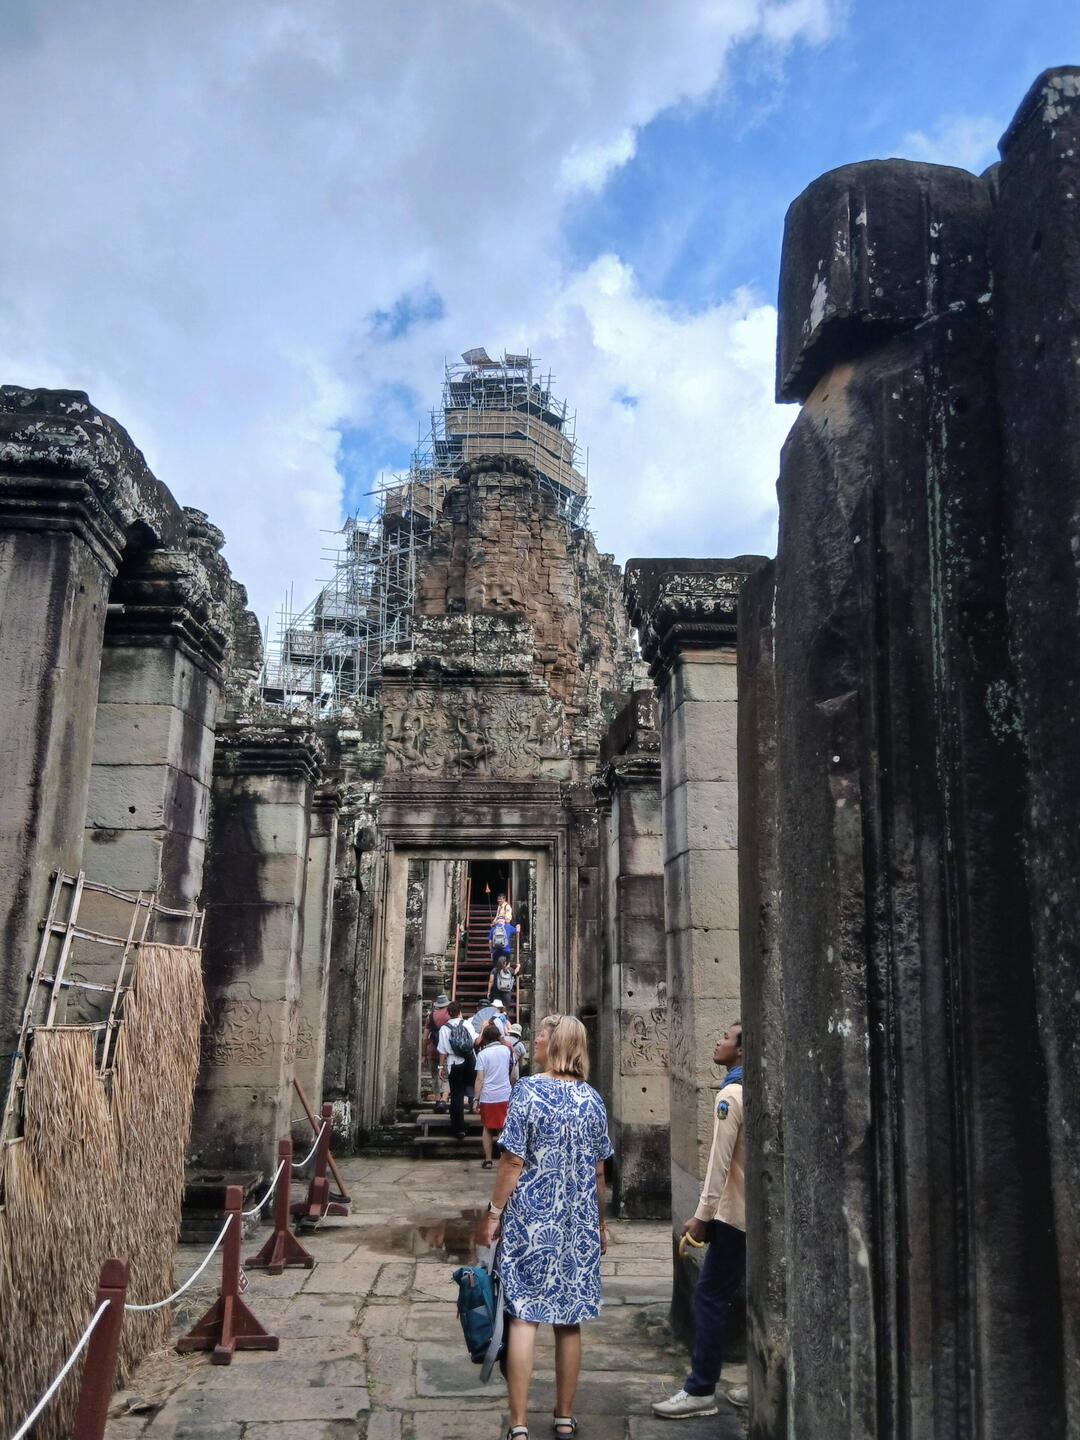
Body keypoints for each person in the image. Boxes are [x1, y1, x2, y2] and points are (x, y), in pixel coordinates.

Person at [477, 1013, 613, 1440]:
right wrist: (601, 1224)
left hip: (533, 1221)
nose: (534, 1039)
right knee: (569, 1322)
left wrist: (494, 1212)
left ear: (555, 1044)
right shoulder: (593, 1100)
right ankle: (565, 1416)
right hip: (577, 1225)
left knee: (523, 1320)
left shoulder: (529, 1092)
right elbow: (598, 1172)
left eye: (540, 1034)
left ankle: (518, 1424)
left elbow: (513, 1160)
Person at [652, 1022, 746, 1419]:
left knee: (708, 1296)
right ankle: (762, 1380)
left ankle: (701, 1388)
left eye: (726, 1037)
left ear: (741, 1050)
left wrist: (701, 1217)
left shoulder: (731, 1094)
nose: (718, 1040)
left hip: (732, 1216)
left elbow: (718, 1165)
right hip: (758, 1213)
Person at [473, 1019, 517, 1169]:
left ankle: (488, 1159)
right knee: (504, 1128)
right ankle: (505, 1159)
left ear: (484, 1038)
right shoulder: (508, 1051)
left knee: (487, 1128)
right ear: (499, 1036)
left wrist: (475, 1099)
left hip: (488, 1096)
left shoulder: (482, 1054)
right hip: (505, 1094)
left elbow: (480, 1079)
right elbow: (513, 1076)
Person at [437, 1000, 477, 1140]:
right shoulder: (466, 1024)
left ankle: (459, 1129)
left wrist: (440, 1067)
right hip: (469, 1061)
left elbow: (442, 1051)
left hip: (453, 1063)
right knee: (474, 1086)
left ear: (448, 1013)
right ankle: (476, 1109)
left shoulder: (444, 1028)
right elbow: (475, 1041)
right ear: (460, 1011)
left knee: (457, 1095)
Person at [426, 993, 451, 1111]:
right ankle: (444, 1100)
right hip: (446, 1050)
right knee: (446, 1076)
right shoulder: (450, 1016)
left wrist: (424, 1053)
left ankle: (437, 1099)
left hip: (433, 1048)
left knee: (435, 1076)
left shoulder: (430, 1017)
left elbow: (425, 1036)